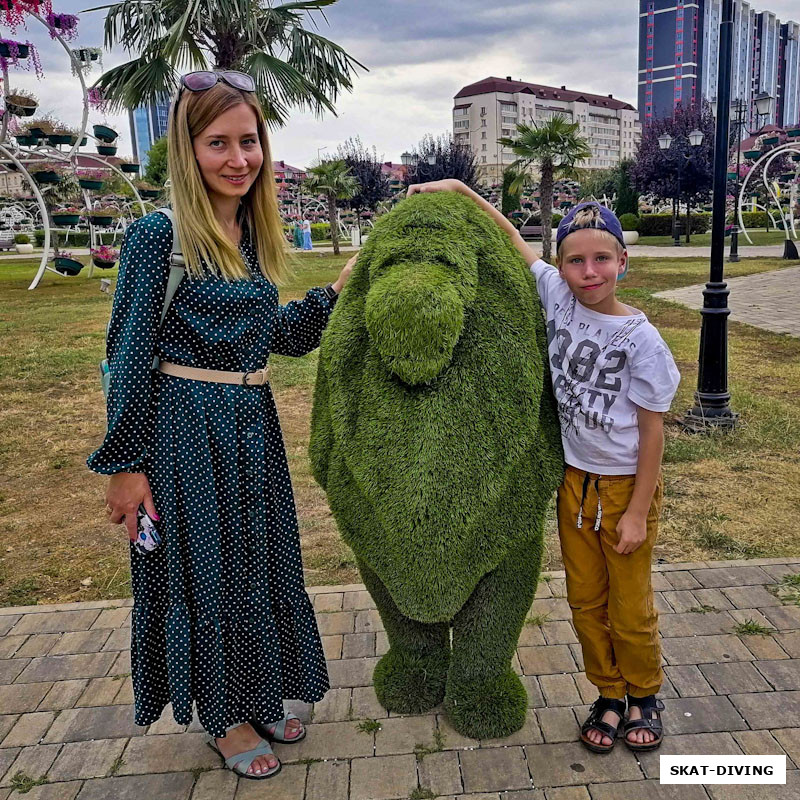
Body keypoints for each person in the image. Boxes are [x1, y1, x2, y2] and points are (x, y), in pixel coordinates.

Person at [87, 69, 354, 780]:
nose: (239, 158)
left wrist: (339, 290)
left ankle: (258, 694)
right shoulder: (157, 237)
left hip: (251, 427)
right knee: (205, 574)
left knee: (255, 565)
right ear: (187, 148)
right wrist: (125, 465)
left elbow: (281, 337)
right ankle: (224, 717)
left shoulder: (249, 232)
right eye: (219, 143)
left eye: (250, 140)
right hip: (183, 434)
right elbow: (128, 351)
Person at [407, 180, 679, 754]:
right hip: (574, 483)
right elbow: (509, 233)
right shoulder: (554, 293)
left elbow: (654, 434)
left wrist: (635, 512)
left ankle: (643, 696)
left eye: (601, 258)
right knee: (585, 600)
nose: (589, 272)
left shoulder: (642, 340)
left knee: (629, 606)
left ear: (622, 262)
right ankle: (607, 694)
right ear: (559, 265)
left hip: (625, 485)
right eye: (575, 260)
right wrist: (459, 189)